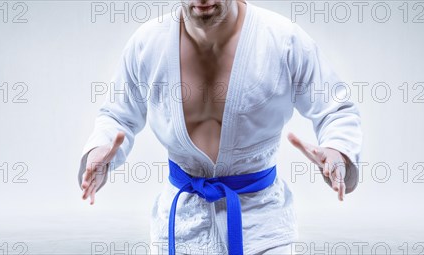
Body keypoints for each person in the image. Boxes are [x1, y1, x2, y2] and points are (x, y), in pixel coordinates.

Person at [78, 0, 363, 254]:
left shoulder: (282, 39)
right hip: (179, 225)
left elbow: (336, 109)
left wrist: (338, 151)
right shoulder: (147, 44)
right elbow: (117, 116)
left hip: (262, 226)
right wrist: (100, 155)